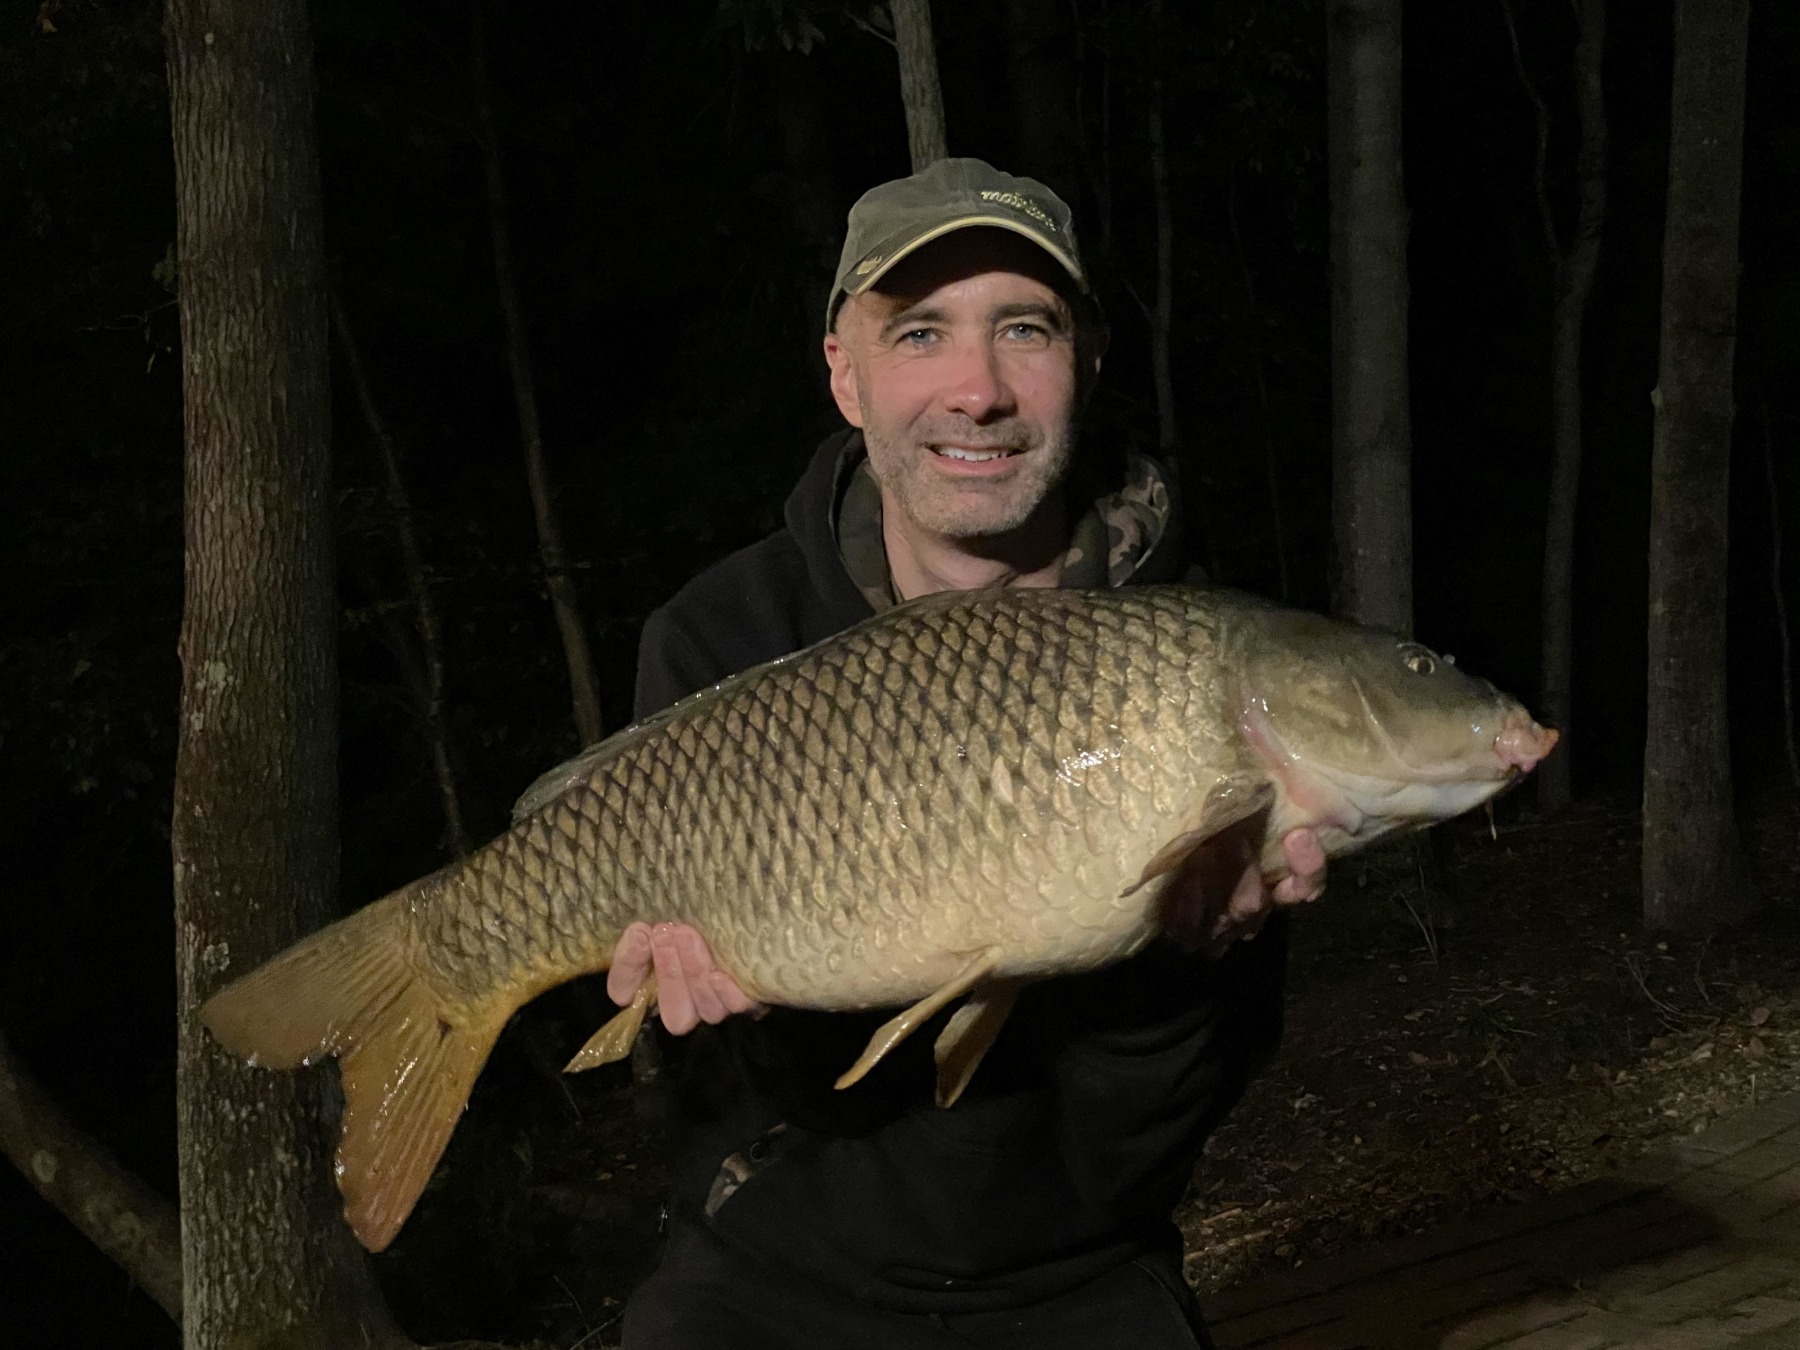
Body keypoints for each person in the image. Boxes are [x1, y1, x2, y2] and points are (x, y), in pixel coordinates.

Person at [609, 158, 1326, 1348]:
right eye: (921, 333)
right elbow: (731, 1104)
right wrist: (733, 1002)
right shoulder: (724, 639)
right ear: (845, 374)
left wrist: (1171, 966)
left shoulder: (1203, 667)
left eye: (1024, 329)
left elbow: (1144, 1154)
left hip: (1076, 1274)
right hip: (775, 1266)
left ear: (1086, 361)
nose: (977, 390)